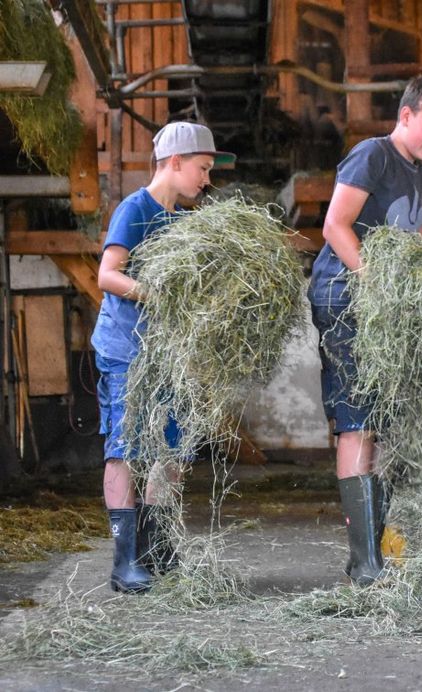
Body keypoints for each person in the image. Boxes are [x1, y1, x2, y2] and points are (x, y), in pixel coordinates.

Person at [307, 75, 422, 585]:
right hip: (346, 298)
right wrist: (378, 283)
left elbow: (411, 243)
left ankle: (371, 549)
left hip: (386, 311)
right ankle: (363, 560)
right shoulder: (372, 155)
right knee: (359, 420)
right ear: (408, 114)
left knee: (387, 422)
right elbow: (335, 226)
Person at [92, 121, 235, 593]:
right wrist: (157, 295)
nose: (206, 179)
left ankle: (156, 547)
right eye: (202, 168)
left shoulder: (184, 222)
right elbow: (108, 275)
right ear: (174, 162)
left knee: (170, 451)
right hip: (127, 351)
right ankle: (124, 560)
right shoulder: (135, 209)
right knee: (126, 450)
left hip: (168, 356)